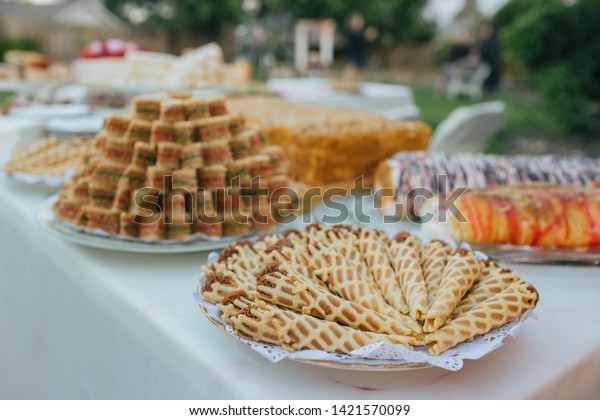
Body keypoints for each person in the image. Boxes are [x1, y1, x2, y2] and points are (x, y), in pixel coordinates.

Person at [477, 23, 501, 93]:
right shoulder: (482, 42)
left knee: (491, 83)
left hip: (491, 65)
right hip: (485, 64)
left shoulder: (493, 42)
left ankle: (491, 91)